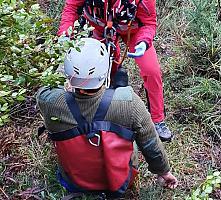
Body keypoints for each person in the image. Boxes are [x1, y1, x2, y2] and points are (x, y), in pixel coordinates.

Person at [36, 38, 178, 198]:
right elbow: (151, 143)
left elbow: (44, 87)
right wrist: (163, 172)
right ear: (105, 71)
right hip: (121, 182)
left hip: (73, 182)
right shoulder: (129, 101)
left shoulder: (49, 100)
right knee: (135, 132)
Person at [57, 0, 173, 142]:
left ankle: (157, 120)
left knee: (151, 70)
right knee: (102, 68)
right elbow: (72, 7)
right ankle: (105, 110)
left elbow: (148, 22)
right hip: (100, 27)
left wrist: (143, 42)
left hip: (133, 30)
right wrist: (65, 33)